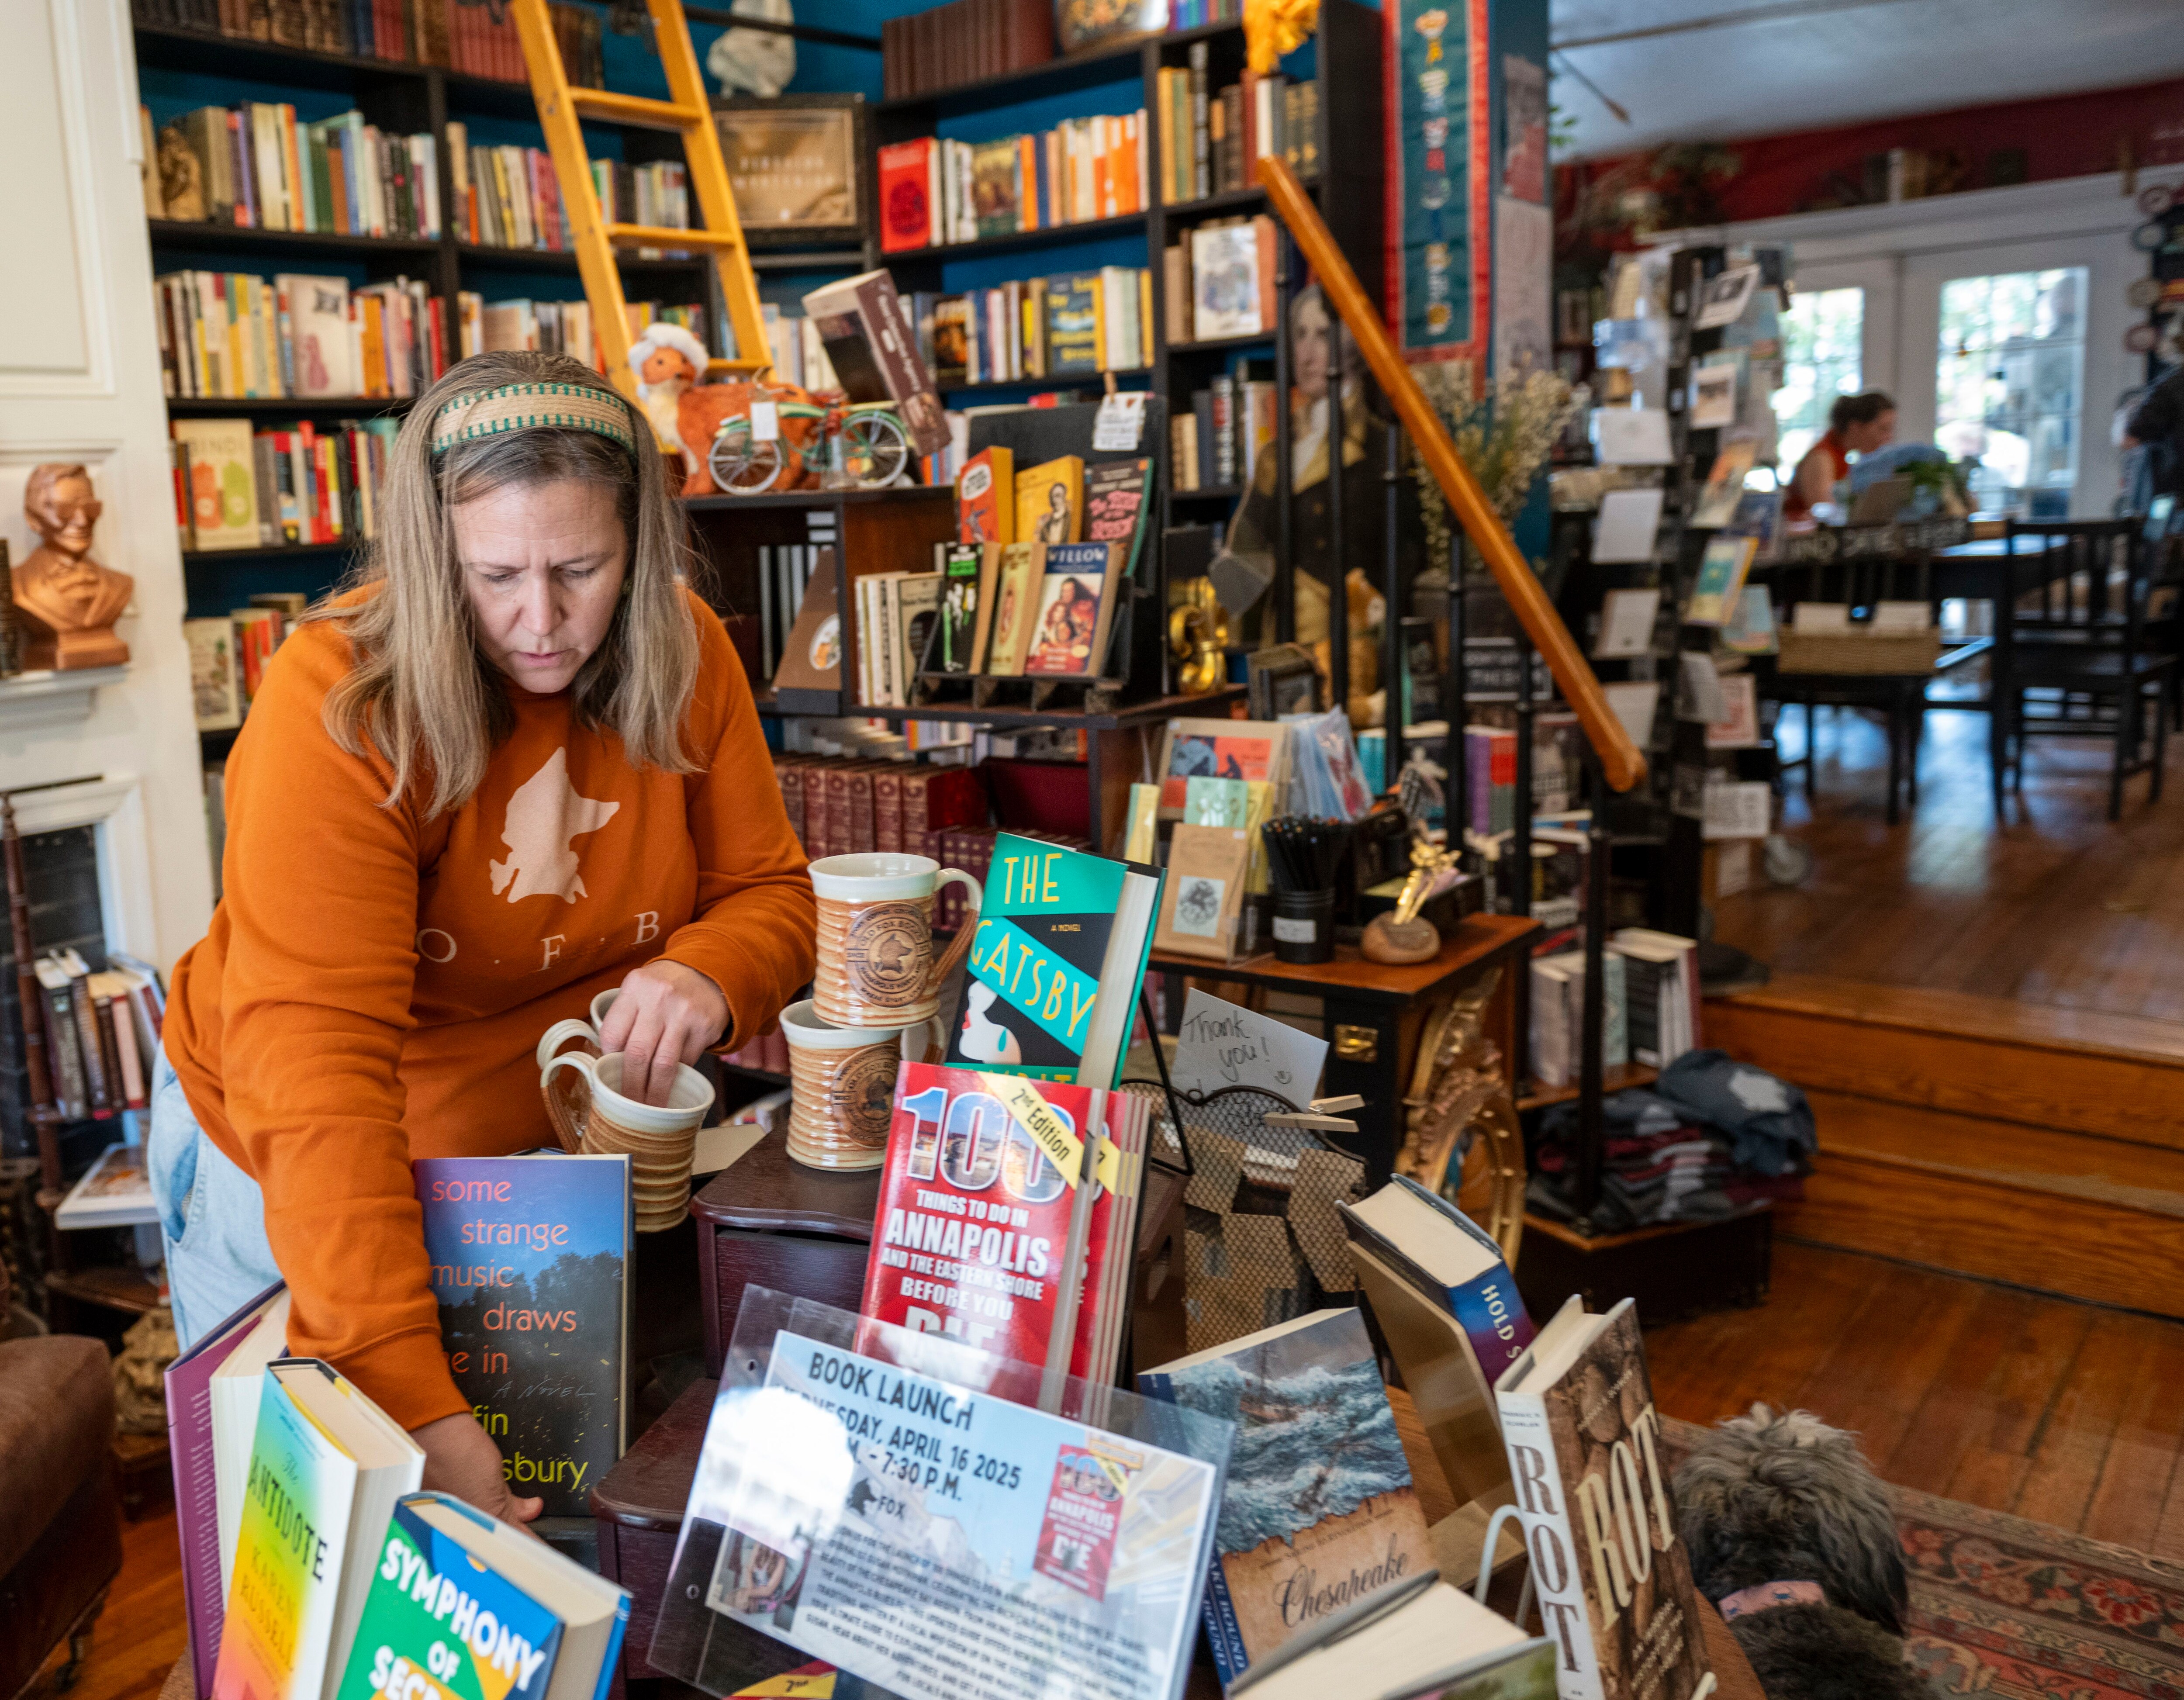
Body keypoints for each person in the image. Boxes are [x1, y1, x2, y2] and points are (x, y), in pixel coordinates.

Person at [149, 351, 816, 1525]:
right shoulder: (338, 700)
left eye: (582, 568)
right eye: (495, 574)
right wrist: (403, 1394)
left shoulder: (688, 645)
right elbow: (318, 1075)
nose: (540, 620)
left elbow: (773, 891)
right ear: (428, 555)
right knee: (289, 1557)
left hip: (529, 1193)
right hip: (297, 1165)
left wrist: (710, 969)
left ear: (642, 544)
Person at [1784, 391, 1895, 522]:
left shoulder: (1841, 456)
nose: (1889, 438)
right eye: (1883, 429)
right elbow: (1827, 520)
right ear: (1856, 427)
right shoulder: (1822, 459)